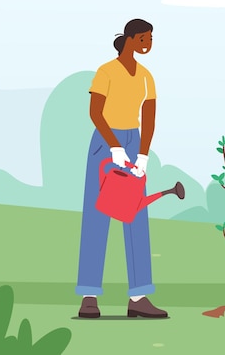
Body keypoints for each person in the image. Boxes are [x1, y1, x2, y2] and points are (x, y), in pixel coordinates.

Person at [76, 18, 167, 319]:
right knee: (97, 214)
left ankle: (138, 297)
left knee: (136, 214)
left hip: (134, 140)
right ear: (130, 39)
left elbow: (150, 117)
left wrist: (142, 155)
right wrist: (113, 146)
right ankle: (89, 295)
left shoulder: (146, 77)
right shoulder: (106, 72)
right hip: (105, 141)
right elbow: (94, 111)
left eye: (151, 38)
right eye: (144, 38)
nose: (148, 44)